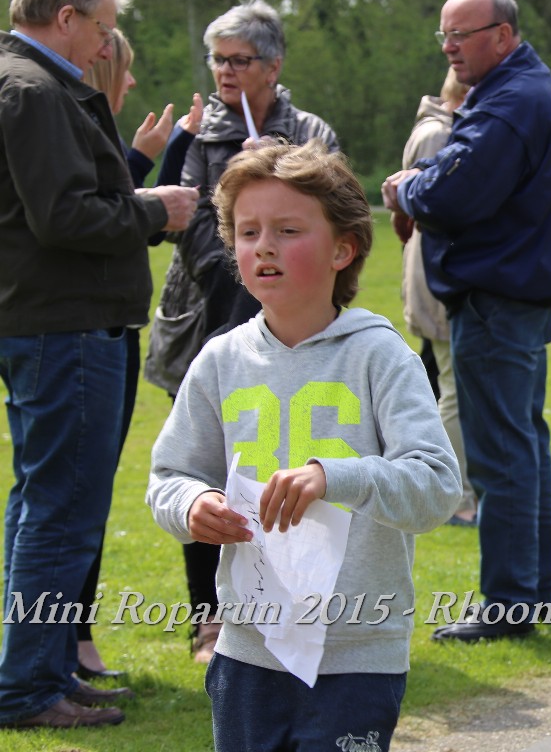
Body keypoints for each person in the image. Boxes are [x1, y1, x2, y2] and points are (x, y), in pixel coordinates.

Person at [146, 139, 462, 751]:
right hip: (247, 649)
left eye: (288, 230)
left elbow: (436, 488)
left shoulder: (381, 356)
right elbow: (169, 477)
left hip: (357, 653)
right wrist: (192, 505)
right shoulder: (219, 361)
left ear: (343, 248)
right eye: (248, 232)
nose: (264, 246)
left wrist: (335, 476)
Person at [0, 0, 197, 729]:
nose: (106, 46)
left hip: (54, 321)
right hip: (65, 325)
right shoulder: (36, 90)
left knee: (45, 505)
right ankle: (28, 689)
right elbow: (63, 217)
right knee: (59, 512)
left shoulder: (31, 84)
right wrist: (156, 211)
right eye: (103, 29)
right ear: (66, 18)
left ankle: (46, 671)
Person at [144, 0, 339, 663]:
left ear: (273, 66)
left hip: (292, 329)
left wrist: (279, 170)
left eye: (240, 60)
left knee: (286, 466)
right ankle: (209, 619)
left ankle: (296, 609)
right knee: (207, 473)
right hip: (205, 321)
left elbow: (330, 208)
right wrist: (248, 252)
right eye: (218, 59)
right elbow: (191, 222)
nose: (225, 71)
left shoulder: (308, 130)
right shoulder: (200, 135)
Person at [383, 0, 551, 641]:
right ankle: (535, 595)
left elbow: (454, 191)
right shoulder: (521, 91)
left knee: (501, 456)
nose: (449, 47)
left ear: (502, 35)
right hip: (516, 295)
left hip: (498, 299)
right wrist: (424, 185)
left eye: (461, 35)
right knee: (520, 446)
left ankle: (510, 602)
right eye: (444, 35)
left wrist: (406, 187)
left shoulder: (510, 102)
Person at [73, 27, 200, 681]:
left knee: (82, 495)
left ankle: (70, 642)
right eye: (121, 70)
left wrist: (152, 155)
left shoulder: (86, 130)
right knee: (72, 497)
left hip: (109, 328)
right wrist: (149, 167)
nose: (129, 82)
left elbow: (112, 209)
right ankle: (66, 643)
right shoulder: (65, 121)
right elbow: (95, 220)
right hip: (84, 330)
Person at [392, 66, 478, 527]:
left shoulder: (443, 129)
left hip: (440, 273)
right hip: (437, 277)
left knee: (454, 386)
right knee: (454, 392)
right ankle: (455, 496)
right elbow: (428, 211)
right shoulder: (438, 135)